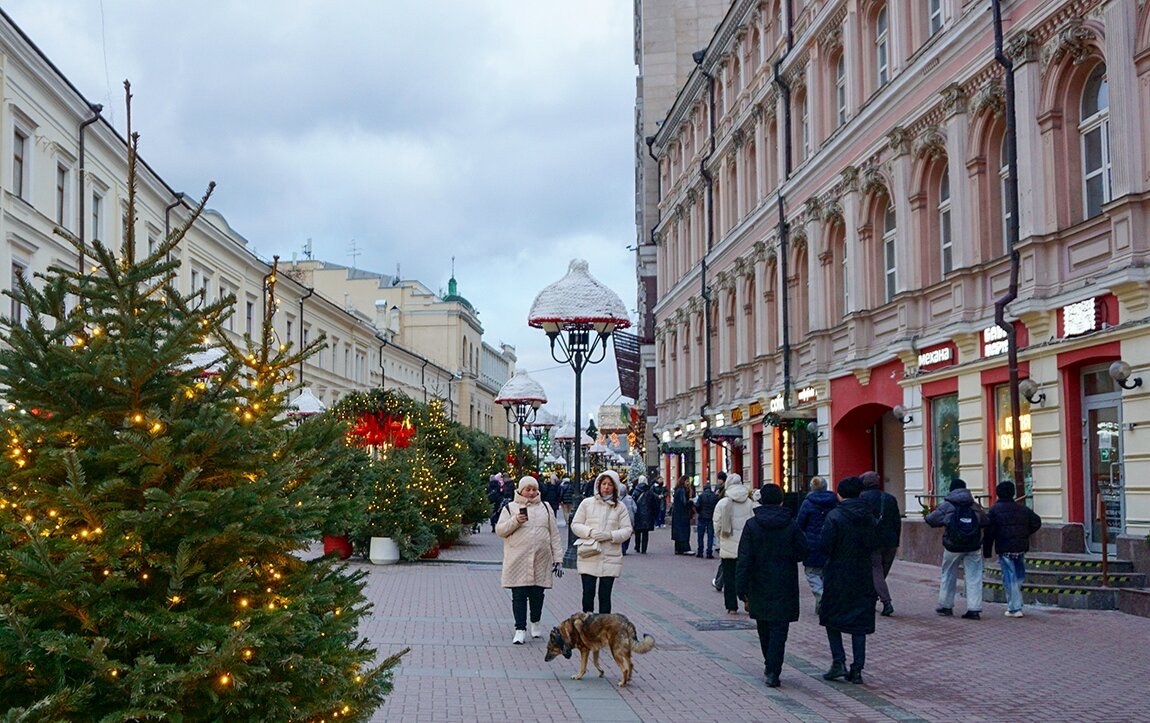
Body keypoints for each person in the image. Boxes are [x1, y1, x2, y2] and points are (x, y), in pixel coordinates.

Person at [735, 484, 808, 688]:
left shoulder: (752, 525)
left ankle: (770, 665)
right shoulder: (791, 524)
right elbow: (803, 551)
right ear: (781, 501)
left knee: (764, 627)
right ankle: (774, 669)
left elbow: (744, 559)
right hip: (784, 583)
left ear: (761, 500)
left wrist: (741, 590)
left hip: (758, 583)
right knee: (779, 629)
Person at [819, 476, 878, 685]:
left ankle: (838, 662)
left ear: (840, 494)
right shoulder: (869, 516)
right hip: (863, 573)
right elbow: (875, 542)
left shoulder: (835, 516)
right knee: (859, 622)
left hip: (838, 573)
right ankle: (858, 668)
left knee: (831, 617)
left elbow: (826, 545)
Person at [495, 475, 564, 644]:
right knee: (518, 595)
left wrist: (558, 558)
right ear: (521, 490)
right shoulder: (510, 508)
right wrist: (515, 521)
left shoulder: (546, 508)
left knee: (537, 595)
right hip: (518, 559)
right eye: (528, 489)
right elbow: (500, 530)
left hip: (541, 559)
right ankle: (520, 629)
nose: (531, 493)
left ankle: (535, 622)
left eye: (534, 489)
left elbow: (554, 535)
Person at [570, 470, 633, 614]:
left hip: (610, 556)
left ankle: (604, 628)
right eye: (603, 484)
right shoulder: (587, 503)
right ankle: (587, 627)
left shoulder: (620, 507)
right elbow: (576, 524)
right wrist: (590, 532)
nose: (606, 487)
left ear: (615, 487)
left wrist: (610, 535)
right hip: (589, 553)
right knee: (588, 594)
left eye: (610, 484)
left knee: (605, 596)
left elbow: (627, 530)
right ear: (598, 485)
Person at [925, 478, 988, 619]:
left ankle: (946, 606)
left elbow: (931, 520)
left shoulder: (947, 505)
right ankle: (974, 609)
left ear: (951, 489)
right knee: (974, 577)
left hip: (953, 546)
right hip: (973, 546)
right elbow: (985, 521)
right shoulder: (975, 505)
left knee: (948, 574)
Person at [983, 480, 1042, 618]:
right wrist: (1025, 532)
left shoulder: (994, 510)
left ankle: (1014, 607)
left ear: (998, 494)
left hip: (1004, 547)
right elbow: (1036, 522)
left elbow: (989, 532)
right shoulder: (1022, 509)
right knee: (1019, 574)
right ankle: (1016, 602)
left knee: (1009, 577)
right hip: (1020, 547)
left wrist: (986, 550)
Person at [714, 473, 757, 614]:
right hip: (747, 547)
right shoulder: (750, 502)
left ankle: (732, 607)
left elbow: (717, 524)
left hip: (728, 547)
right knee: (748, 576)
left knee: (729, 578)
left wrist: (720, 538)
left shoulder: (723, 503)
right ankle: (748, 600)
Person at [860, 470, 901, 617]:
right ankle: (874, 597)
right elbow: (897, 521)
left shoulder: (862, 499)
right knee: (881, 571)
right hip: (890, 540)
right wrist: (897, 539)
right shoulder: (889, 498)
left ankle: (886, 601)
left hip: (873, 540)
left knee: (876, 570)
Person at [795, 475, 838, 613]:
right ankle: (825, 600)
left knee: (812, 573)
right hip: (831, 541)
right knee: (826, 572)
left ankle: (820, 593)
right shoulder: (834, 501)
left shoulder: (808, 502)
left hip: (812, 543)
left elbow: (800, 523)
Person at [632, 476, 658, 554]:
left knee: (637, 531)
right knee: (645, 532)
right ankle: (644, 548)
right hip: (648, 514)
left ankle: (637, 546)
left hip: (637, 514)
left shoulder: (635, 491)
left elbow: (632, 502)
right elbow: (655, 504)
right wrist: (654, 514)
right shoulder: (650, 492)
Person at [670, 476, 695, 555]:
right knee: (684, 531)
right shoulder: (682, 491)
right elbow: (684, 503)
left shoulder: (678, 490)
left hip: (677, 514)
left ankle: (678, 549)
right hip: (682, 515)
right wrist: (691, 501)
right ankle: (685, 548)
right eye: (687, 481)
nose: (688, 483)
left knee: (678, 532)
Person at [695, 483, 720, 558]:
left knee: (700, 535)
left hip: (702, 517)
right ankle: (709, 552)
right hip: (711, 517)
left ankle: (700, 551)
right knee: (710, 535)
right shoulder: (714, 496)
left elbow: (697, 506)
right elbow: (717, 507)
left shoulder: (701, 496)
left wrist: (699, 512)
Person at [619, 481, 637, 555]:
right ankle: (625, 547)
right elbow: (635, 508)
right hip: (629, 518)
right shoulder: (629, 498)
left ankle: (621, 547)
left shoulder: (615, 499)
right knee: (627, 533)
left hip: (618, 519)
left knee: (620, 533)